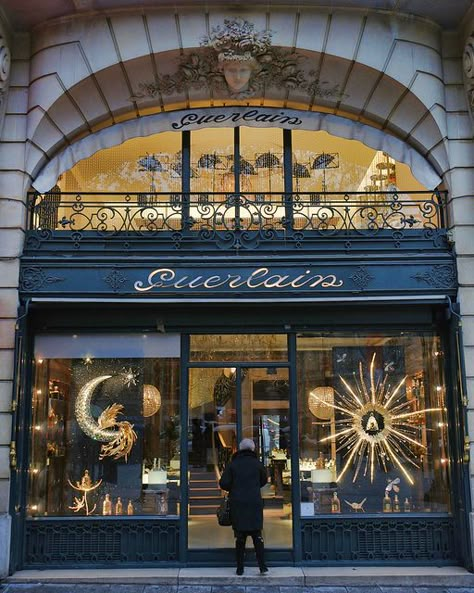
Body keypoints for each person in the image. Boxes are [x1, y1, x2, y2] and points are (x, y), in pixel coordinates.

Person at [219, 438, 268, 575]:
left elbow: (223, 483)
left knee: (240, 538)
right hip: (254, 502)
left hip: (238, 503)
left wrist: (235, 487)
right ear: (252, 449)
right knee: (257, 535)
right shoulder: (257, 464)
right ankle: (262, 566)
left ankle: (240, 568)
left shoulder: (233, 464)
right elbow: (264, 480)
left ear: (240, 449)